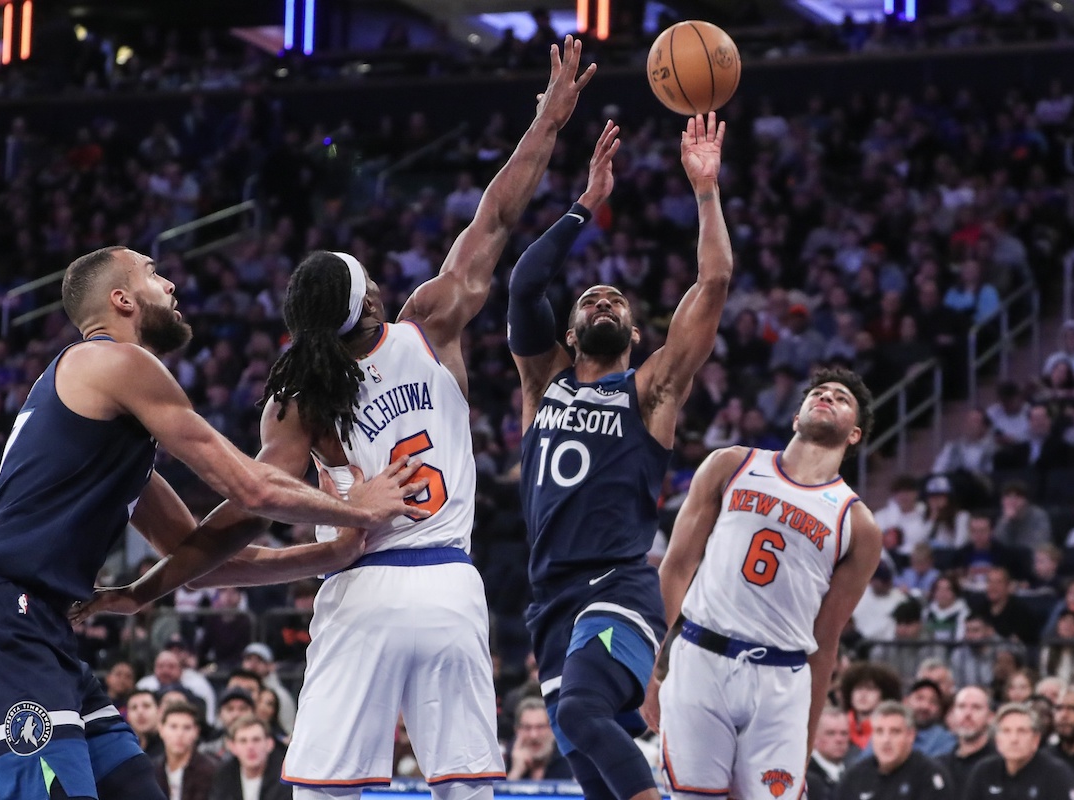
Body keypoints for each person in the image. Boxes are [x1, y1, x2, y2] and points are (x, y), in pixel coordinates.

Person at [78, 35, 601, 800]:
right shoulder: (430, 323)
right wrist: (547, 123)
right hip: (451, 588)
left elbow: (241, 516)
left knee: (327, 793)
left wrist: (155, 581)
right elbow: (495, 218)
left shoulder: (298, 396)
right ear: (375, 298)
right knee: (467, 790)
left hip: (362, 588)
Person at [0, 245, 423, 800]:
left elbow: (202, 559)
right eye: (153, 274)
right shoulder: (114, 361)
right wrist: (362, 508)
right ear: (121, 299)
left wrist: (328, 555)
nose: (170, 286)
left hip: (43, 624)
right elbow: (250, 486)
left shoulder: (112, 436)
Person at [509, 111, 733, 800]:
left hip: (617, 585)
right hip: (550, 600)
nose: (601, 298)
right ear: (570, 335)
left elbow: (716, 281)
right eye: (588, 299)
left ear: (634, 333)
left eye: (614, 301)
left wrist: (705, 190)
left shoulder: (650, 391)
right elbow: (523, 286)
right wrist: (585, 203)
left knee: (578, 712)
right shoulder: (541, 382)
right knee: (588, 771)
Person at [645, 368, 882, 800]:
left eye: (842, 398)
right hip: (702, 659)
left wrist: (806, 740)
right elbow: (676, 569)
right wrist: (646, 669)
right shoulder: (731, 465)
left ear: (854, 435)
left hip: (782, 678)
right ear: (796, 418)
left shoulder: (858, 524)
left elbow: (825, 641)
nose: (827, 397)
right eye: (819, 392)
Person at [838, 702, 954, 800]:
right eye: (879, 731)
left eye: (895, 732)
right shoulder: (855, 776)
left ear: (910, 736)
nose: (886, 740)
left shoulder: (929, 775)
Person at [963, 703, 1074, 800]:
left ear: (1035, 739)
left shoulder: (1056, 774)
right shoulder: (983, 771)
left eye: (1022, 731)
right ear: (997, 740)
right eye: (1006, 731)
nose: (1014, 739)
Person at [209, 716, 290, 800]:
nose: (250, 747)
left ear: (269, 744)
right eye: (243, 741)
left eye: (256, 740)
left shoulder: (284, 777)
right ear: (232, 746)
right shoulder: (223, 776)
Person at [154, 702, 217, 800]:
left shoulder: (210, 771)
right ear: (161, 730)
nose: (180, 734)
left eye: (187, 728)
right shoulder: (152, 771)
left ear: (196, 732)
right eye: (173, 727)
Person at [939, 686, 997, 793]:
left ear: (990, 717)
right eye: (961, 707)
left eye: (976, 707)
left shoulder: (1002, 764)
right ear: (952, 714)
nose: (967, 714)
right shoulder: (938, 766)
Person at [505, 697, 572, 780]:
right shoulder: (506, 760)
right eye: (527, 727)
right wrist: (516, 772)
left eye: (540, 727)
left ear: (552, 729)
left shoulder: (570, 762)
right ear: (517, 730)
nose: (534, 735)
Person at [806, 706, 853, 800]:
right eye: (831, 733)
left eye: (844, 733)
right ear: (814, 737)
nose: (839, 739)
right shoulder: (805, 777)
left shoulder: (857, 772)